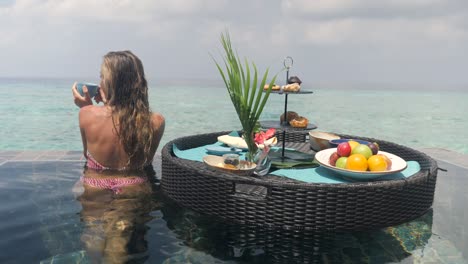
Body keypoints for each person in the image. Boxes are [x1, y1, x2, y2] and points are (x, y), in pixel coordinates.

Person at [71, 50, 165, 263]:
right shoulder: (156, 121)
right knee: (119, 241)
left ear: (110, 83)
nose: (100, 82)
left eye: (102, 77)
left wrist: (88, 107)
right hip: (133, 185)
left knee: (93, 235)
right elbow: (145, 162)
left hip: (95, 184)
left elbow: (88, 154)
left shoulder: (86, 114)